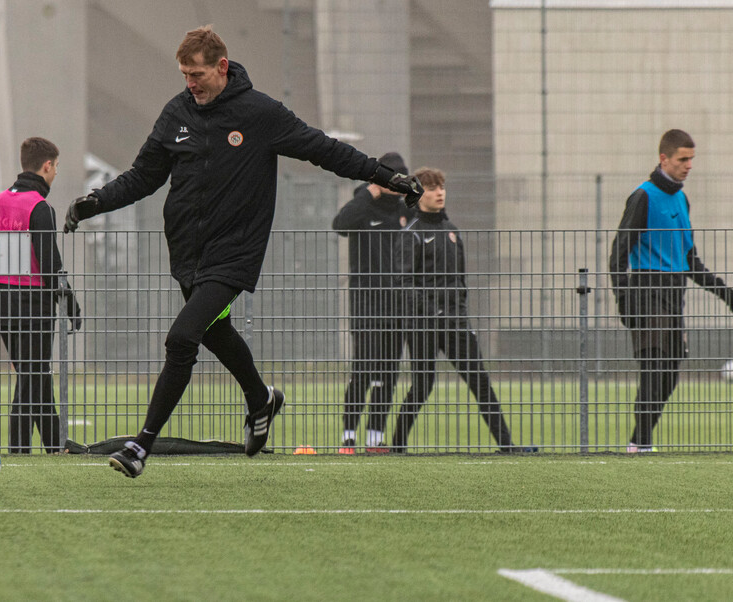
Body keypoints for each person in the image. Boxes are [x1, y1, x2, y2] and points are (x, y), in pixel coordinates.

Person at [63, 25, 422, 478]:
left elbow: (325, 150)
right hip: (187, 253)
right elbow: (142, 176)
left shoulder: (260, 113)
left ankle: (140, 446)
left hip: (234, 253)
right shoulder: (176, 113)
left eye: (197, 74)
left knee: (182, 339)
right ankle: (261, 398)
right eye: (184, 75)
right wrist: (95, 202)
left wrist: (389, 177)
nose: (190, 84)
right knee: (216, 333)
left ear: (222, 67)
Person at [389, 167, 534, 454]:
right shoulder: (412, 234)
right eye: (432, 188)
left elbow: (460, 280)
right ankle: (397, 447)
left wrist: (459, 310)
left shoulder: (452, 231)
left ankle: (507, 446)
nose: (439, 192)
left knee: (480, 381)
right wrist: (431, 312)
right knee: (422, 386)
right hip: (423, 326)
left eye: (442, 187)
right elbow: (404, 283)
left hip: (456, 322)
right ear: (418, 194)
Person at [609, 129, 733, 453]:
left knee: (670, 372)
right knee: (654, 367)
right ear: (664, 158)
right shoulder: (643, 196)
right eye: (683, 159)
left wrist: (724, 293)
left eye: (691, 159)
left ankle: (638, 440)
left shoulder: (681, 198)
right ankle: (642, 444)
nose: (689, 165)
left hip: (674, 294)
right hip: (646, 291)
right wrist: (625, 302)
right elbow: (618, 253)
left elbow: (690, 261)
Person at [0, 137, 80, 454]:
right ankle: (19, 450)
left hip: (2, 302)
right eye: (56, 168)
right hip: (33, 305)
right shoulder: (40, 207)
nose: (55, 175)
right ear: (47, 165)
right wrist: (68, 301)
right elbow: (50, 262)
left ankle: (54, 446)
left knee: (35, 377)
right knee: (32, 377)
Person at [332, 151, 411, 454]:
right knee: (364, 370)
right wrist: (369, 190)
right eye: (390, 176)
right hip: (366, 306)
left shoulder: (405, 212)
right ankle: (348, 436)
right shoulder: (363, 207)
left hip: (399, 307)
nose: (395, 182)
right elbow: (340, 224)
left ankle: (375, 438)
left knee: (388, 374)